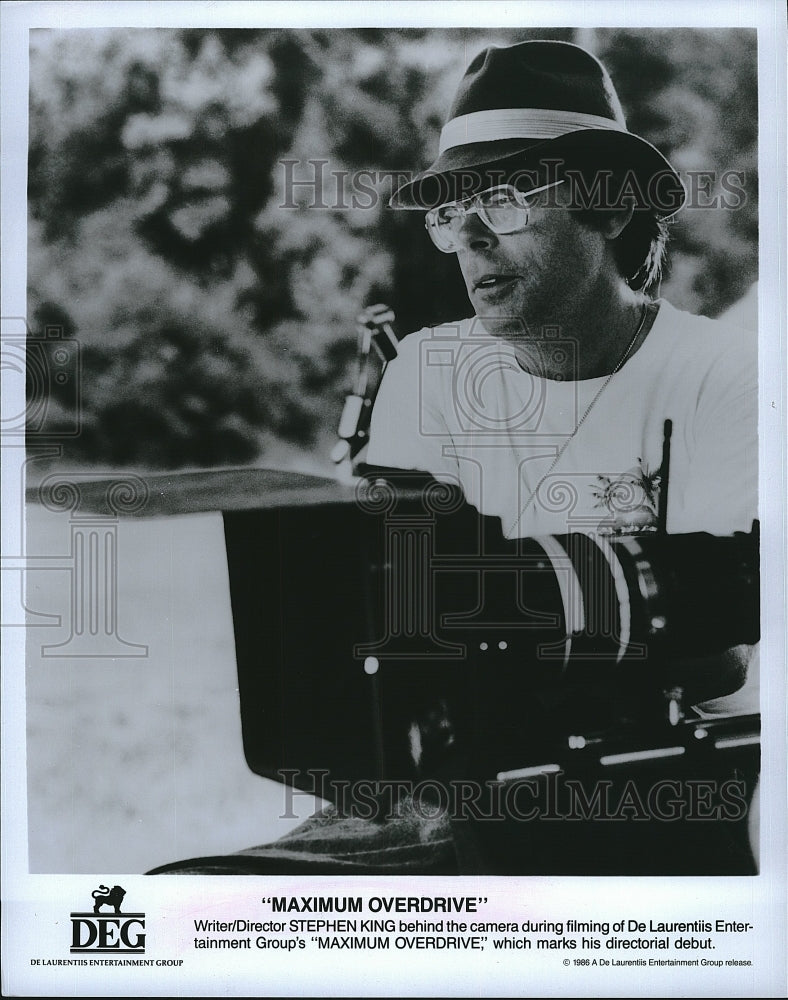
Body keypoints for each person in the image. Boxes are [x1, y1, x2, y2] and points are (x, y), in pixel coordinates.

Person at [149, 39, 758, 876]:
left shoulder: (724, 375)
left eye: (503, 199)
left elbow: (720, 659)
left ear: (610, 207)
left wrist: (487, 594)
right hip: (447, 791)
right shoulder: (424, 370)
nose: (469, 236)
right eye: (449, 210)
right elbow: (389, 632)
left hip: (640, 795)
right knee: (192, 899)